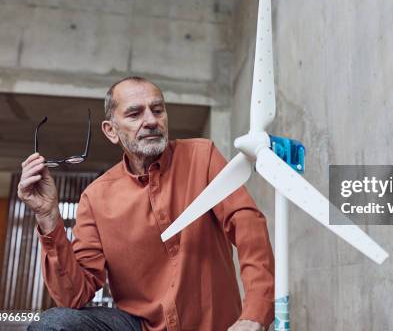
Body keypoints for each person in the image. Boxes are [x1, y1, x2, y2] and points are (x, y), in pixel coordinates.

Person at [19, 76, 275, 331]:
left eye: (157, 110)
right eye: (134, 114)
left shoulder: (202, 157)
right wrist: (48, 216)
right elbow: (74, 297)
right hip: (138, 327)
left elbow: (247, 224)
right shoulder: (95, 199)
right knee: (52, 325)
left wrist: (255, 312)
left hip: (213, 326)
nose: (151, 121)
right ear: (111, 131)